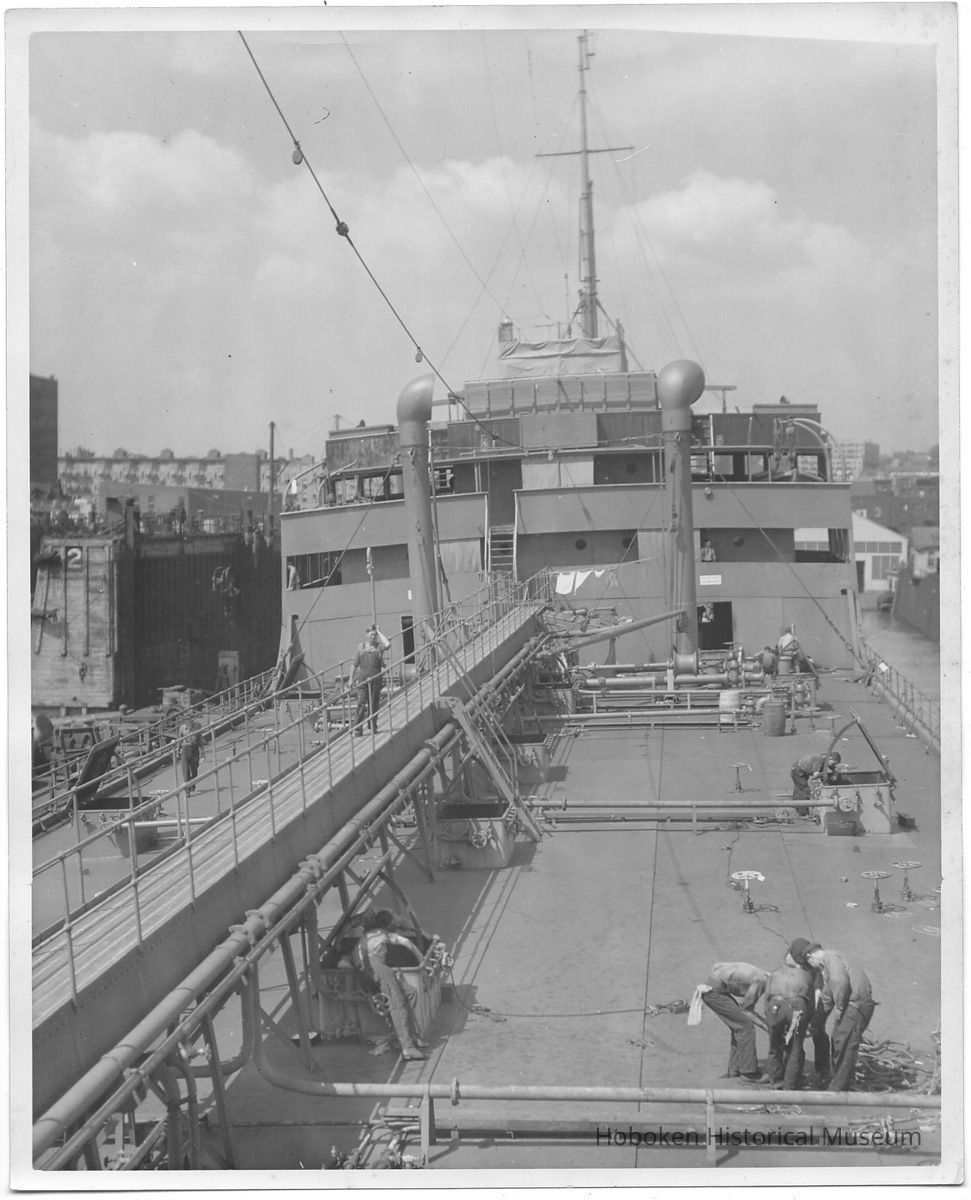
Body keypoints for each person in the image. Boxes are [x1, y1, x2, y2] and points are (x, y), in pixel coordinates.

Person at [352, 910, 429, 1060]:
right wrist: (422, 961)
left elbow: (352, 960)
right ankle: (408, 1048)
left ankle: (414, 1035)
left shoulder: (363, 939)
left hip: (364, 971)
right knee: (397, 1004)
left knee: (410, 992)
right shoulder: (383, 934)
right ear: (387, 925)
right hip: (379, 968)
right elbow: (406, 942)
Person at [802, 944, 876, 1092]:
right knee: (837, 1038)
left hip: (856, 1006)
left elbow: (839, 982)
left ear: (810, 957)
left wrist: (840, 1007)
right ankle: (838, 1081)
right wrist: (815, 1024)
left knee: (845, 1045)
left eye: (810, 965)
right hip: (853, 1005)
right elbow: (827, 997)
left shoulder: (830, 957)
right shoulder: (830, 964)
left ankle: (837, 1089)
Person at [699, 962, 770, 1081]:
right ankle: (748, 1073)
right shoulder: (761, 981)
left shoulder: (763, 974)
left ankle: (735, 1069)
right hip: (714, 993)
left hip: (715, 987)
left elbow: (717, 965)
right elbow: (746, 1011)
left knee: (738, 1026)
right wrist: (768, 1028)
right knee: (746, 1028)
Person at [785, 937, 832, 1087]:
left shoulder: (815, 969)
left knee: (818, 1034)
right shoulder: (790, 963)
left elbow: (818, 993)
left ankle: (824, 1071)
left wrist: (814, 1020)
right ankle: (793, 1073)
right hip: (796, 1000)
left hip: (811, 1000)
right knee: (794, 1038)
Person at [763, 960, 813, 1090]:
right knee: (795, 1049)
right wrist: (807, 1023)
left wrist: (771, 1021)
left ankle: (777, 1083)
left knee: (774, 1047)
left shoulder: (774, 974)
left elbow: (766, 999)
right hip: (797, 1007)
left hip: (775, 1007)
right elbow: (811, 1004)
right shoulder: (805, 975)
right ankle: (790, 1087)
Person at [352, 626, 390, 735]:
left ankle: (373, 726)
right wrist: (351, 680)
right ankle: (358, 728)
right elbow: (354, 665)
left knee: (374, 703)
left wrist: (378, 631)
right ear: (367, 636)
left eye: (375, 635)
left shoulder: (379, 647)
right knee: (361, 703)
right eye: (371, 635)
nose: (373, 637)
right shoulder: (360, 647)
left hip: (376, 679)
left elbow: (388, 645)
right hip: (362, 679)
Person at [790, 751, 841, 817]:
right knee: (805, 790)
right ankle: (803, 812)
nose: (833, 765)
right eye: (834, 763)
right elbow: (815, 775)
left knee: (799, 789)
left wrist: (835, 775)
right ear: (830, 758)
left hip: (803, 772)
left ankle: (796, 807)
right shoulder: (818, 759)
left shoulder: (826, 759)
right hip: (797, 772)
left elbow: (835, 769)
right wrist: (823, 778)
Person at [177, 718, 203, 796]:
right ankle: (187, 790)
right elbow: (179, 739)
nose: (188, 722)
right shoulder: (182, 728)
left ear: (192, 720)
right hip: (185, 749)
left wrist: (202, 751)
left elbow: (200, 739)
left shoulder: (197, 727)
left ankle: (192, 781)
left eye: (190, 719)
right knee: (185, 770)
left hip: (195, 749)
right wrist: (177, 751)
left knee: (194, 769)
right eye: (186, 720)